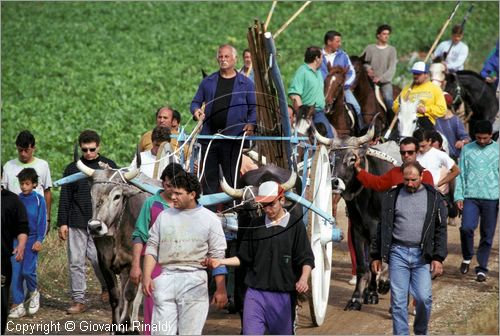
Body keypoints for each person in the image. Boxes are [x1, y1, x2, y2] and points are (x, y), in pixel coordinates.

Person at [203, 180, 314, 334]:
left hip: (283, 295)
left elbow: (306, 258)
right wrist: (220, 261)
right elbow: (243, 258)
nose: (267, 209)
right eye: (263, 205)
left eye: (271, 204)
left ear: (282, 200)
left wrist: (303, 278)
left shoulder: (295, 225)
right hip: (255, 294)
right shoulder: (255, 225)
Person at [142, 170, 228, 335]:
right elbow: (152, 247)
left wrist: (221, 289)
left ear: (192, 194)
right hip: (165, 278)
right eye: (172, 192)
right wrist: (147, 276)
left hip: (195, 279)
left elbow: (218, 256)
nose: (173, 197)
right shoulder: (164, 216)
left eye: (178, 193)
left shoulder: (210, 219)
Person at [371, 161, 447, 335]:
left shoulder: (433, 197)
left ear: (422, 176)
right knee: (398, 301)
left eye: (413, 179)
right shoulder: (392, 196)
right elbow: (382, 227)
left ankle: (420, 331)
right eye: (406, 180)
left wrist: (438, 257)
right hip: (398, 253)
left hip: (422, 255)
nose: (410, 184)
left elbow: (440, 229)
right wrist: (375, 255)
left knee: (423, 298)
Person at [57, 130, 117, 314]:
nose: (89, 153)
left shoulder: (108, 166)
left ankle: (108, 287)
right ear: (81, 148)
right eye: (85, 149)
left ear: (98, 146)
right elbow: (65, 196)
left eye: (92, 149)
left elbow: (117, 195)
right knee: (76, 262)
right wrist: (62, 223)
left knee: (99, 260)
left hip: (99, 223)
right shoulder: (72, 168)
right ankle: (78, 300)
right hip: (76, 221)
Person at [190, 44, 256, 197]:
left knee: (231, 178)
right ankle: (208, 213)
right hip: (209, 138)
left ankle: (230, 212)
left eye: (226, 56)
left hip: (233, 139)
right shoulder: (208, 82)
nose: (223, 59)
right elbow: (195, 102)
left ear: (235, 59)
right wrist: (196, 111)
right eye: (220, 56)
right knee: (208, 178)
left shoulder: (246, 83)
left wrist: (251, 124)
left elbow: (254, 108)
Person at [130, 163, 185, 335]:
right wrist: (136, 266)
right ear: (163, 183)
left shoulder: (188, 204)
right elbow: (140, 234)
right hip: (154, 264)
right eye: (169, 185)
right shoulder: (151, 204)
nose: (172, 190)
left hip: (182, 264)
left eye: (177, 186)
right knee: (152, 309)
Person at [455, 120, 499, 282]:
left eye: (485, 138)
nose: (481, 141)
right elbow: (460, 174)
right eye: (479, 138)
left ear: (491, 136)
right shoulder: (467, 149)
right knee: (466, 228)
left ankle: (482, 268)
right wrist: (458, 196)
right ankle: (467, 256)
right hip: (470, 197)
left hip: (492, 198)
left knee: (487, 235)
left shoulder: (498, 150)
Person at [8, 168, 46, 318]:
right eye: (21, 184)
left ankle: (34, 292)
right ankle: (18, 305)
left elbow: (42, 222)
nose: (24, 186)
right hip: (16, 241)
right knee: (16, 273)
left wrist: (39, 240)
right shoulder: (16, 199)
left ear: (34, 184)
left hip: (32, 241)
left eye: (27, 183)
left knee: (27, 271)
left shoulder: (39, 200)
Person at [2, 130, 52, 229]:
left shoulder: (43, 165)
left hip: (35, 218)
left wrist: (48, 218)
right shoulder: (8, 166)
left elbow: (47, 192)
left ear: (33, 148)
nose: (23, 154)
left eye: (26, 150)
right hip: (13, 218)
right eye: (20, 150)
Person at [354, 136, 434, 191]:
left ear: (417, 153)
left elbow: (431, 201)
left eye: (410, 152)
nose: (406, 155)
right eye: (403, 153)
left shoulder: (426, 174)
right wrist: (359, 169)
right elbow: (377, 183)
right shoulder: (394, 172)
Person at [320, 30, 364, 129]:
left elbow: (351, 72)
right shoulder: (319, 56)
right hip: (323, 89)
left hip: (342, 89)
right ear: (329, 42)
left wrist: (344, 85)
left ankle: (360, 132)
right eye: (337, 41)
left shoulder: (343, 55)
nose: (340, 44)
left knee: (356, 107)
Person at [289, 46, 334, 138]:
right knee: (304, 139)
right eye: (322, 57)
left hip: (319, 112)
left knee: (329, 136)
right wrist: (303, 114)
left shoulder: (318, 72)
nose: (322, 60)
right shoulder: (302, 71)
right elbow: (294, 94)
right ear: (317, 58)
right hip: (307, 113)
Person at [1, 185, 28, 334]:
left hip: (2, 260)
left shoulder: (12, 200)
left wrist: (22, 244)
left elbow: (22, 227)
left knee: (1, 301)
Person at [393, 61, 446, 130]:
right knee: (392, 139)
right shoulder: (407, 88)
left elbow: (442, 109)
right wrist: (406, 108)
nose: (415, 76)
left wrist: (426, 109)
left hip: (424, 119)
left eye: (418, 74)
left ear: (426, 75)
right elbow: (395, 105)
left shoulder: (435, 88)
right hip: (406, 120)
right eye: (414, 73)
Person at [362, 24, 398, 113]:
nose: (386, 36)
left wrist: (380, 79)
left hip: (384, 83)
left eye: (388, 34)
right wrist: (368, 69)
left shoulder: (392, 50)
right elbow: (363, 62)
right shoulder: (370, 48)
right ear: (378, 35)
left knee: (388, 99)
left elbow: (392, 68)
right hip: (369, 81)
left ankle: (392, 122)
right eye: (384, 34)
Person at [435, 92, 470, 161]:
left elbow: (466, 138)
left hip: (452, 158)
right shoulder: (435, 120)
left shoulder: (455, 121)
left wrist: (462, 142)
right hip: (437, 157)